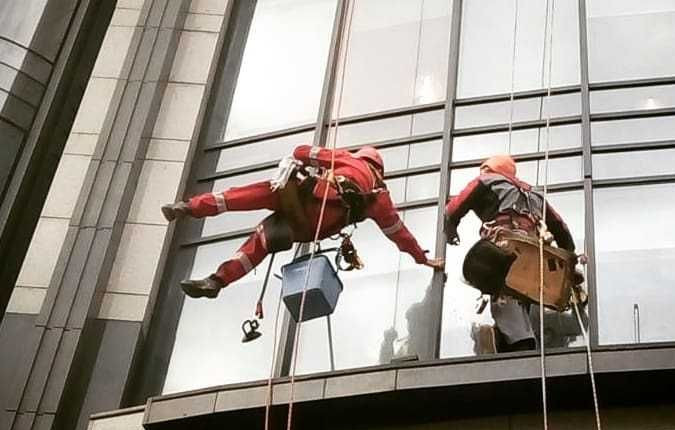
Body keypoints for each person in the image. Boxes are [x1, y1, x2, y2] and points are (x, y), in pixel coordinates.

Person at [162, 144, 445, 298]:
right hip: (311, 227)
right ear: (380, 169)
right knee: (259, 242)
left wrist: (314, 160)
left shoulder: (349, 160)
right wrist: (421, 259)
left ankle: (188, 207)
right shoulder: (379, 197)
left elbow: (301, 151)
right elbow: (399, 234)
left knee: (243, 196)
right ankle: (217, 281)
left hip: (304, 197)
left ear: (364, 157)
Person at [444, 154, 577, 353]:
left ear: (490, 168)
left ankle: (520, 345)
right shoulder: (535, 195)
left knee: (504, 298)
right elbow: (561, 228)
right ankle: (507, 342)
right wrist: (569, 260)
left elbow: (454, 207)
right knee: (520, 298)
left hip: (503, 249)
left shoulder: (487, 180)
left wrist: (451, 228)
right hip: (532, 257)